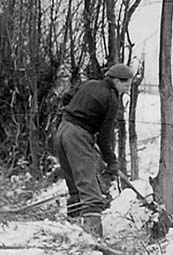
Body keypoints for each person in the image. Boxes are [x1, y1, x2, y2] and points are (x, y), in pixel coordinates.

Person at [54, 63, 134, 236]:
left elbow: (67, 97)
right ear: (116, 81)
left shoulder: (90, 83)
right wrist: (112, 162)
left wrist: (78, 113)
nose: (127, 89)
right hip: (78, 136)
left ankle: (72, 231)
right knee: (91, 194)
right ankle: (93, 240)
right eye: (126, 84)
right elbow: (105, 137)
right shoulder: (112, 99)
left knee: (75, 187)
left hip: (62, 129)